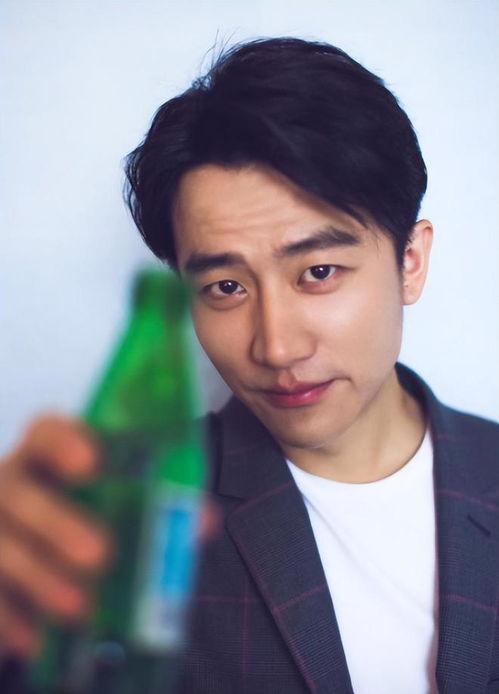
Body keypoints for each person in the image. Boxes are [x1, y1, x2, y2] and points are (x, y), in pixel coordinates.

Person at [1, 37, 498, 694]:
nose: (276, 348)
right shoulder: (131, 521)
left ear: (410, 261)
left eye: (318, 272)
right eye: (226, 287)